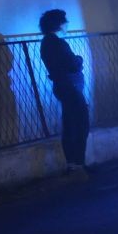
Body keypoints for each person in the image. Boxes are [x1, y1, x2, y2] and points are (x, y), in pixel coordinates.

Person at [39, 9, 90, 174]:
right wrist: (79, 59)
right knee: (80, 123)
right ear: (58, 24)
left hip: (62, 86)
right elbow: (72, 64)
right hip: (70, 87)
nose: (67, 24)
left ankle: (72, 164)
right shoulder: (58, 43)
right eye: (65, 21)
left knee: (70, 123)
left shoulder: (46, 42)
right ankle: (78, 163)